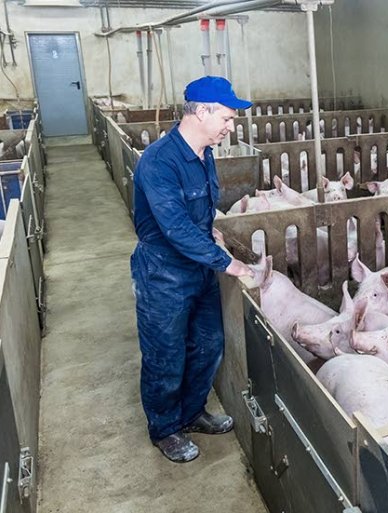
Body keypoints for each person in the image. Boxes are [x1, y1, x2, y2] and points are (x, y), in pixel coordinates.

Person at [130, 76, 254, 462]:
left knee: (208, 345)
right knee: (165, 355)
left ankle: (191, 413)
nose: (230, 127)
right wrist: (228, 262)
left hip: (198, 268)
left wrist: (210, 230)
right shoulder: (159, 161)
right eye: (227, 118)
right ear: (201, 112)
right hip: (163, 273)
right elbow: (175, 228)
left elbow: (197, 213)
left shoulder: (205, 153)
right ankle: (165, 428)